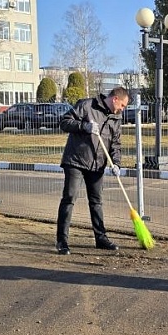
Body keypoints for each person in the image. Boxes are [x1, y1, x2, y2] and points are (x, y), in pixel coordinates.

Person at [56, 87, 130, 255]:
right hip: (75, 160)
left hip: (97, 165)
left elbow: (116, 144)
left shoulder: (116, 118)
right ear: (115, 99)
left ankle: (101, 238)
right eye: (123, 105)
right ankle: (62, 241)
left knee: (96, 202)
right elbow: (64, 122)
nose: (122, 109)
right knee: (69, 198)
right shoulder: (87, 105)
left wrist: (116, 163)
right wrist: (85, 126)